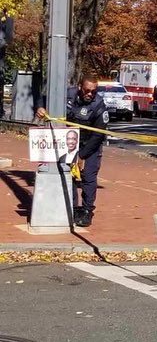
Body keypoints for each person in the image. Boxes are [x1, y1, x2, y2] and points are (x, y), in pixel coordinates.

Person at [36, 76, 108, 228]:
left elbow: (98, 135)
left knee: (88, 177)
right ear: (80, 87)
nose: (90, 94)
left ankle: (87, 210)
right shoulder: (68, 94)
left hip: (90, 145)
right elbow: (44, 98)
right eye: (87, 90)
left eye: (93, 92)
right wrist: (40, 107)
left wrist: (82, 156)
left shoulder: (99, 105)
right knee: (69, 175)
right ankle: (73, 208)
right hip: (68, 143)